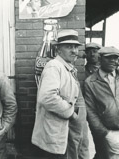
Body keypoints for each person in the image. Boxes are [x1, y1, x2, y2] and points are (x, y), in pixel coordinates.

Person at [31, 29, 89, 159]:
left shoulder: (67, 68)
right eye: (69, 47)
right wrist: (71, 112)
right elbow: (47, 97)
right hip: (55, 135)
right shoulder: (54, 66)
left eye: (75, 47)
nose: (74, 51)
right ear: (58, 50)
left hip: (65, 134)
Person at [84, 46, 119, 159]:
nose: (113, 61)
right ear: (100, 58)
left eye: (115, 58)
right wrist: (106, 134)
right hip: (107, 133)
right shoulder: (91, 82)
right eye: (109, 58)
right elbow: (90, 111)